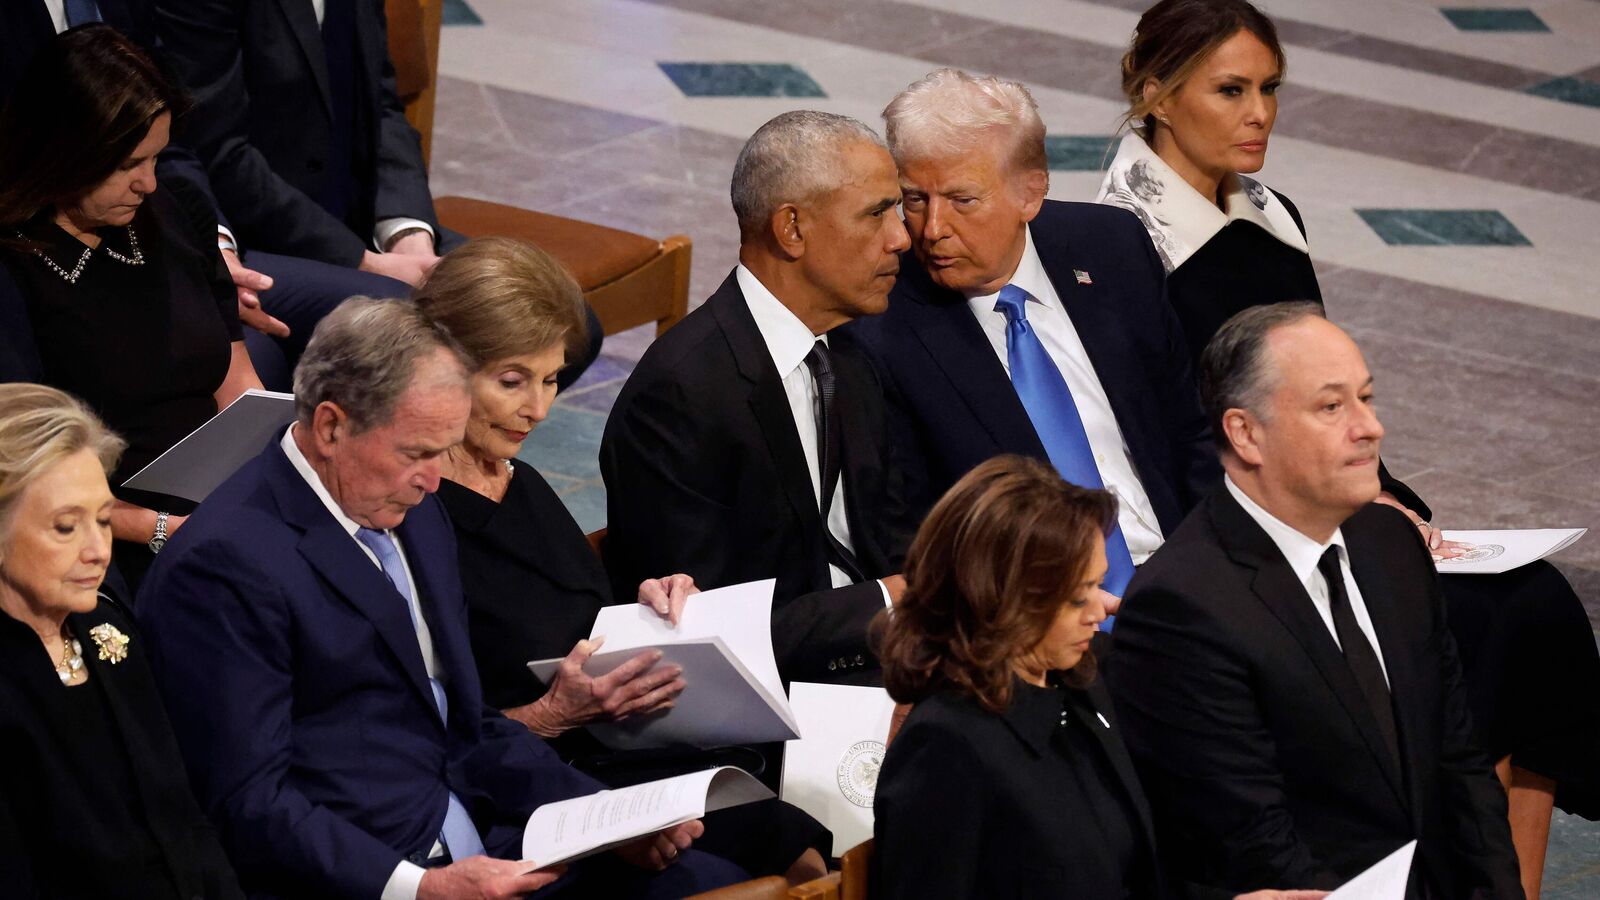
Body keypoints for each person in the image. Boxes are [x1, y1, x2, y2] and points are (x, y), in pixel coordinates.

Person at [1097, 2, 1600, 880]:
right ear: (1157, 96)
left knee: (1535, 603)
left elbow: (1319, 384)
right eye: (1231, 90)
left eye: (1270, 88)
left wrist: (1391, 500)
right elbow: (1167, 427)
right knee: (1478, 624)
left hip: (1317, 486)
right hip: (1244, 514)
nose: (1261, 113)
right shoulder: (1122, 236)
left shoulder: (1272, 212)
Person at [137, 298, 743, 899]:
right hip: (370, 873)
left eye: (442, 449)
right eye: (417, 453)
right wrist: (421, 888)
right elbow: (248, 800)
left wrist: (605, 820)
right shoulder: (224, 567)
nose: (434, 480)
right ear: (330, 427)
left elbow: (461, 720)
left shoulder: (410, 509)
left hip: (485, 836)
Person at [415, 237, 831, 884]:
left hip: (620, 745)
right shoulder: (412, 515)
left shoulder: (518, 480)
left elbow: (570, 609)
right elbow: (422, 731)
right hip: (534, 787)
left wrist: (648, 607)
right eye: (512, 381)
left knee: (804, 842)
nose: (540, 409)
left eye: (552, 379)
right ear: (440, 366)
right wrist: (550, 715)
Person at [1109, 303, 1523, 898]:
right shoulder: (1181, 607)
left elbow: (1459, 766)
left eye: (1366, 398)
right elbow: (1254, 846)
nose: (1370, 427)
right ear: (1245, 433)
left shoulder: (1391, 545)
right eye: (1332, 407)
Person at [846, 68, 1217, 610]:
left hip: (1184, 571)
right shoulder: (881, 329)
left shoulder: (1111, 247)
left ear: (1031, 192)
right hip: (1039, 614)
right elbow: (913, 535)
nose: (932, 229)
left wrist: (1220, 567)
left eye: (961, 200)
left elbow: (1189, 429)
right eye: (915, 199)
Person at [601, 111, 915, 685]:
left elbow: (888, 535)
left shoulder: (850, 355)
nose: (902, 237)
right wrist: (891, 604)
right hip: (781, 705)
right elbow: (701, 631)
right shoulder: (679, 397)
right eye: (877, 213)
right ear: (791, 229)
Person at [149, 0, 604, 389]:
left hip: (357, 215)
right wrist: (363, 261)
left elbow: (382, 105)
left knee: (567, 324)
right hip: (251, 235)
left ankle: (443, 475)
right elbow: (215, 149)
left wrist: (410, 238)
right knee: (425, 323)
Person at [0, 25, 263, 593]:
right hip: (105, 528)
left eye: (158, 159)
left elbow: (238, 383)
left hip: (216, 499)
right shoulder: (14, 266)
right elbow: (25, 465)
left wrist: (268, 478)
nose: (148, 183)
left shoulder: (175, 209)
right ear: (63, 152)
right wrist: (158, 528)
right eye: (128, 164)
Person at [0, 383, 244, 899]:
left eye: (105, 520)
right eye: (66, 527)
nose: (97, 550)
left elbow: (183, 817)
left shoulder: (107, 629)